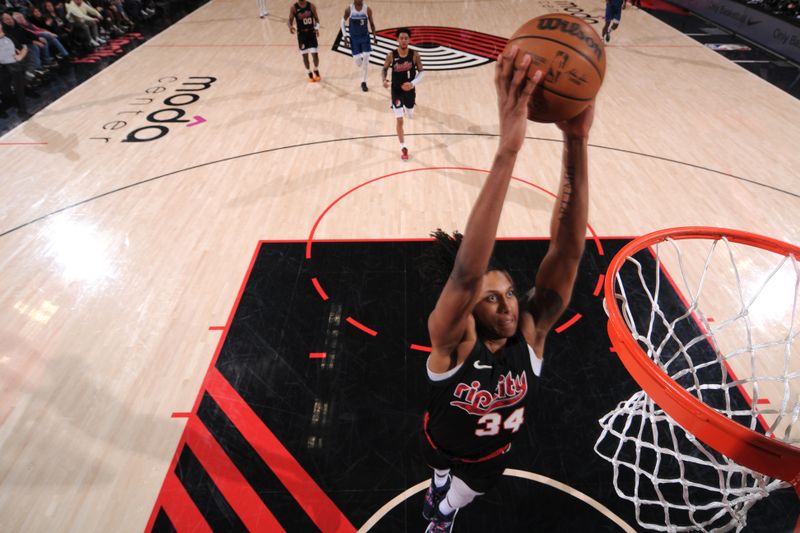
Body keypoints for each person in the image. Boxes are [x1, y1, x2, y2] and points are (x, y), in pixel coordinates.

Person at [419, 46, 594, 533]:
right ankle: (437, 483)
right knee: (438, 470)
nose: (508, 304)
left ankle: (446, 509)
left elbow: (566, 253)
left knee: (464, 495)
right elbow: (464, 275)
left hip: (493, 451)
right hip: (443, 439)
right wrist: (508, 151)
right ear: (469, 307)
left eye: (511, 292)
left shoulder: (532, 332)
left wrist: (575, 140)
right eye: (492, 297)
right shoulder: (451, 342)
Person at [381, 27, 423, 161]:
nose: (404, 40)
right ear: (397, 39)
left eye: (406, 38)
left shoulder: (415, 54)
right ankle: (403, 147)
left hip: (410, 89)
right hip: (396, 90)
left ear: (409, 40)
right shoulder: (391, 55)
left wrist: (413, 83)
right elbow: (384, 69)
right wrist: (384, 80)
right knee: (399, 119)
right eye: (401, 38)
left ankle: (407, 107)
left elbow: (422, 72)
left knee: (410, 114)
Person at [340, 0, 375, 92]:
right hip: (354, 39)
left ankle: (363, 82)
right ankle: (362, 60)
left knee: (366, 61)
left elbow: (371, 23)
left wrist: (374, 36)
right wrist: (345, 36)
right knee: (359, 63)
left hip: (365, 38)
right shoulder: (349, 9)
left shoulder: (367, 9)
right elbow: (342, 22)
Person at [0, 21, 30, 118]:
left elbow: (24, 47)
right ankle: (8, 104)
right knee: (6, 90)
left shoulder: (9, 37)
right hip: (2, 68)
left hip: (14, 65)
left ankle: (23, 111)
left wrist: (20, 56)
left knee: (19, 89)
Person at [288, 0, 320, 82]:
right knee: (305, 56)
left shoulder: (311, 6)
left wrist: (317, 28)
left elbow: (317, 19)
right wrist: (290, 26)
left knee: (315, 56)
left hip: (311, 33)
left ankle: (315, 69)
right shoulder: (294, 8)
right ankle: (309, 72)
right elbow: (290, 20)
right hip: (302, 35)